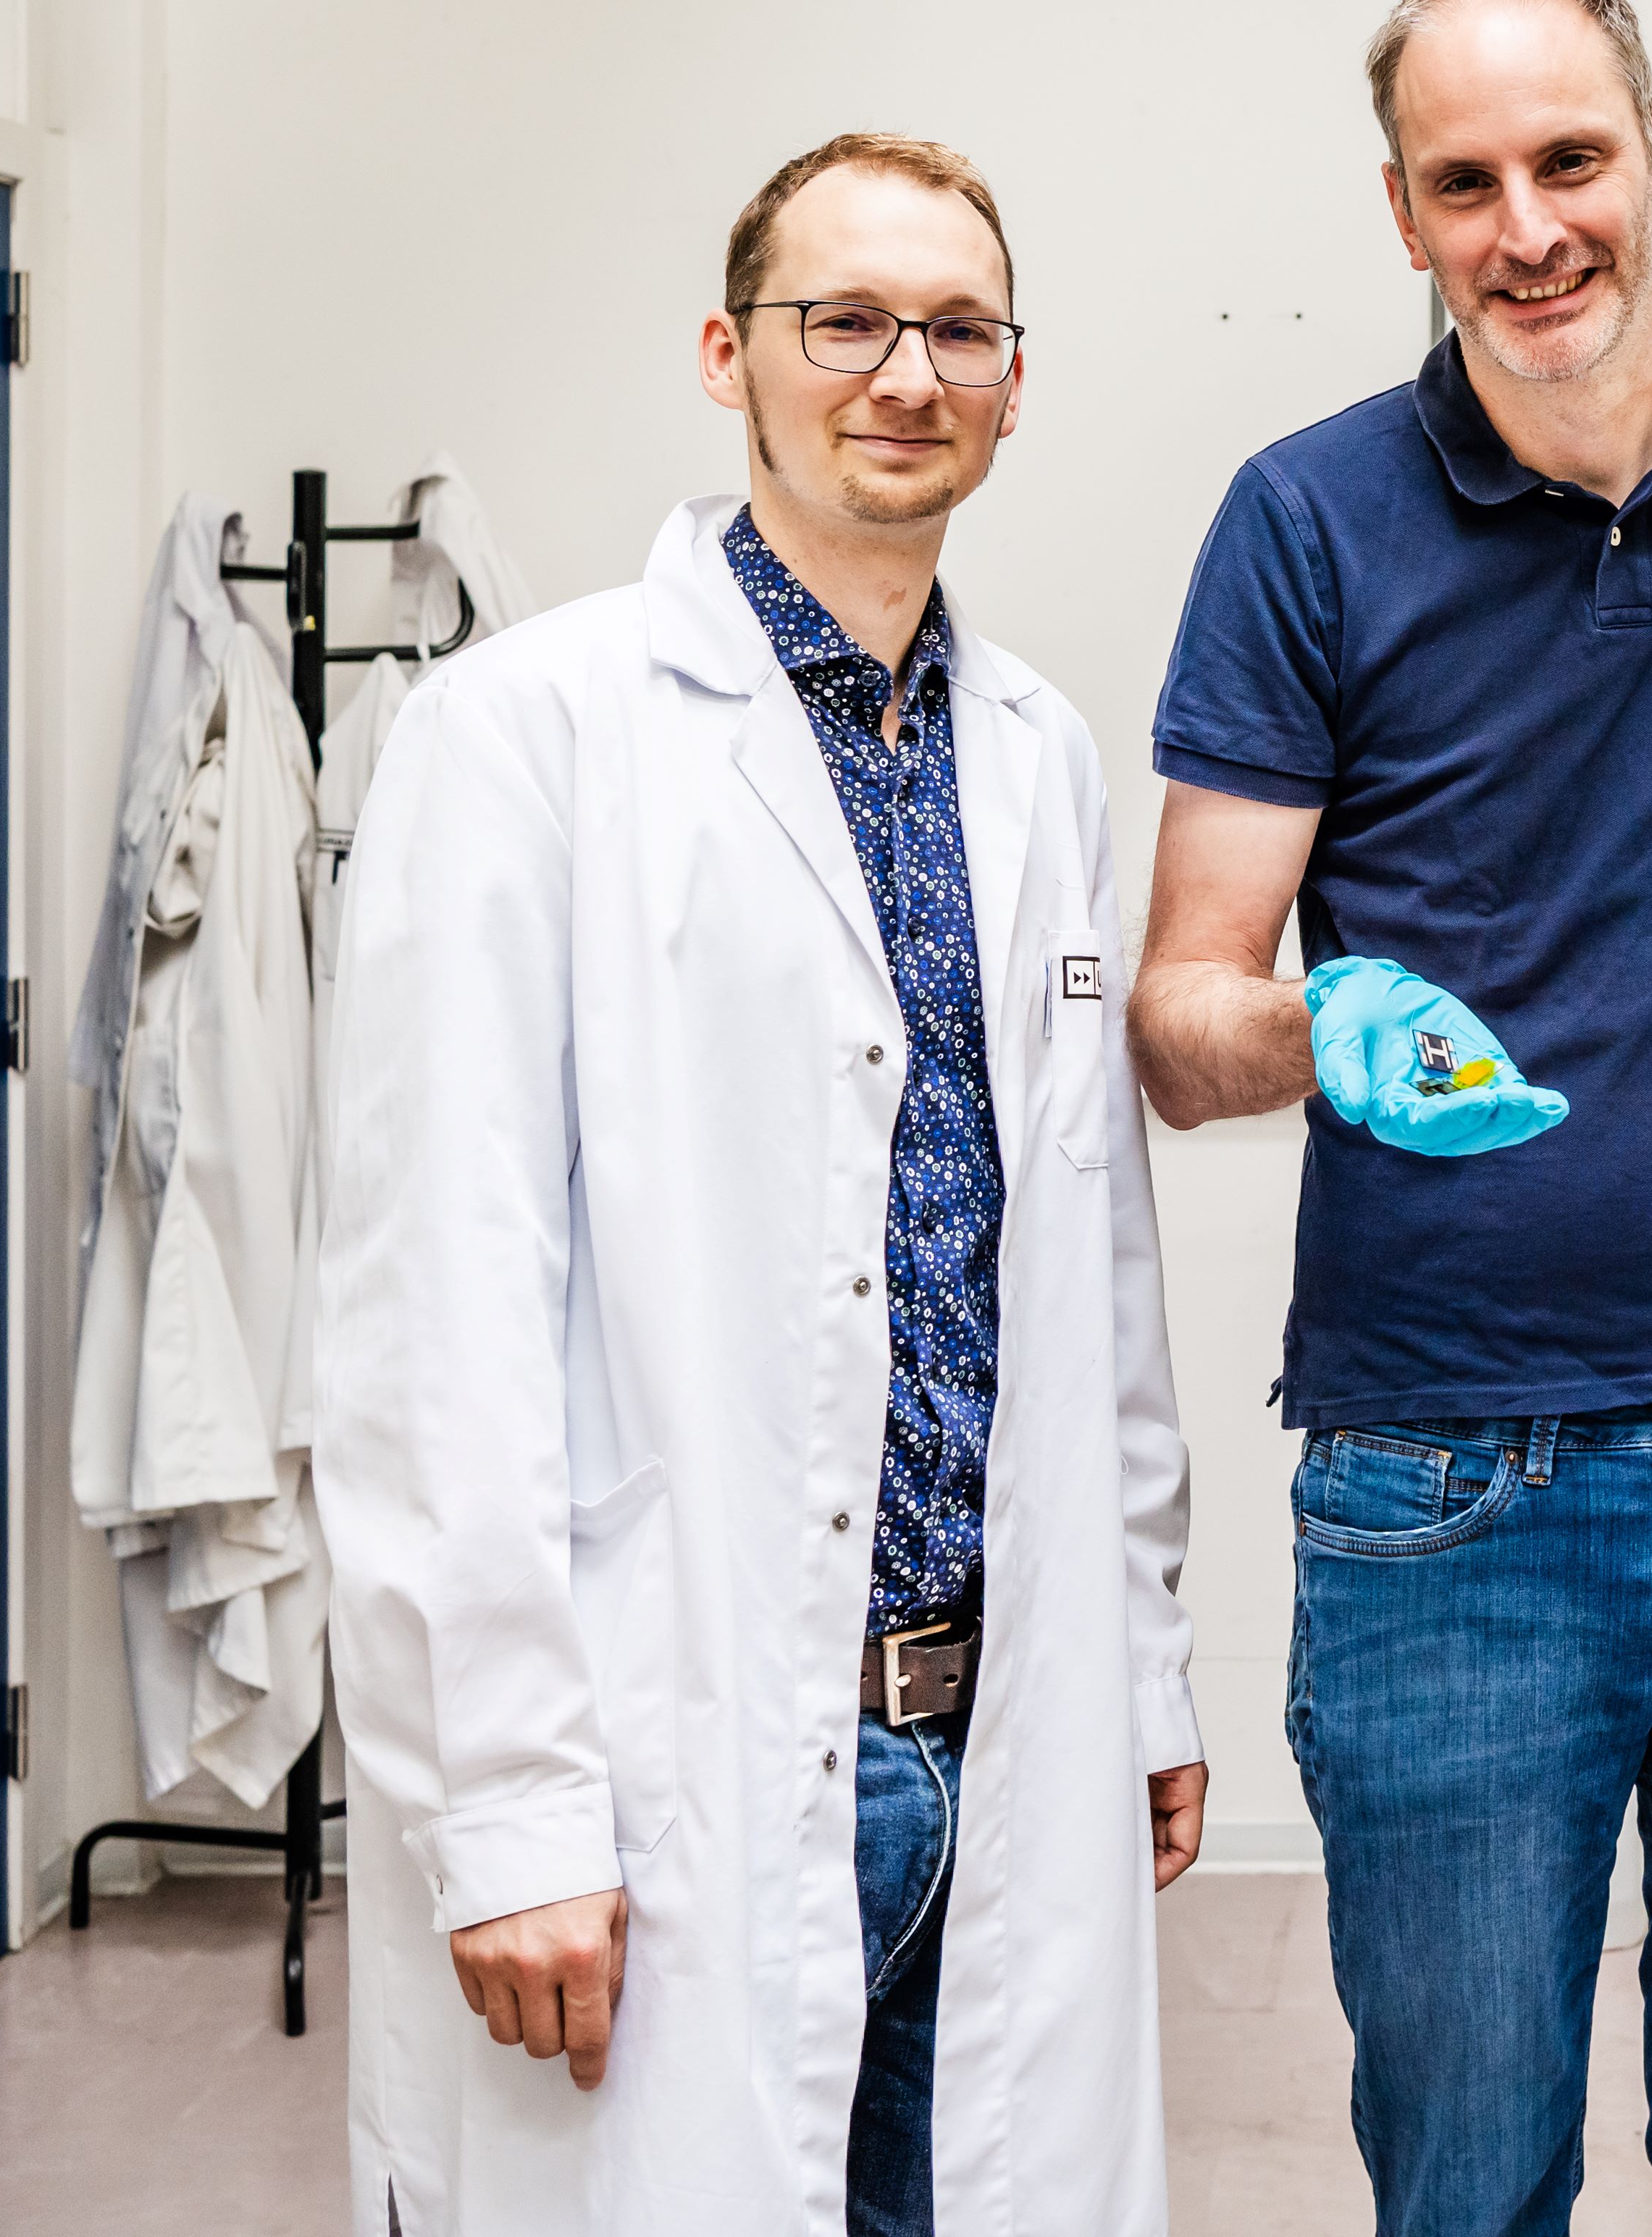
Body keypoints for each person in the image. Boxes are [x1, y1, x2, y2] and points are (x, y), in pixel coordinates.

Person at [1131, 0, 1652, 2237]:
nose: (1530, 229)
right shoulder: (1307, 519)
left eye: (1572, 161)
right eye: (1465, 182)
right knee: (1473, 2184)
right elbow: (1183, 1012)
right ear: (1402, 213)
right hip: (1456, 1503)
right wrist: (1319, 1031)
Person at [319, 133, 1204, 2237]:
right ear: (731, 356)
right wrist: (507, 1805)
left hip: (1000, 1719)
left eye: (960, 330)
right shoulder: (521, 735)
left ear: (1014, 381)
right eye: (847, 321)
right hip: (678, 1738)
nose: (906, 373)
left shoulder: (1039, 751)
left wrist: (1146, 1659)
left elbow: (1090, 1258)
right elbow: (434, 1312)